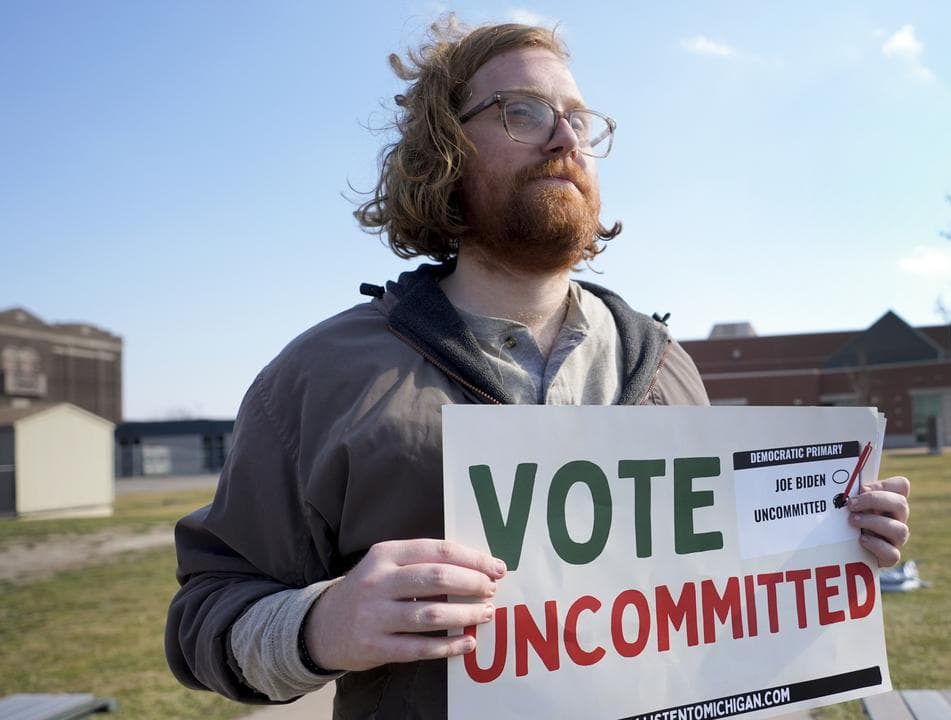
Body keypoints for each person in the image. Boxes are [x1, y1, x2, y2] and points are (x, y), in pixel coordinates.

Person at [164, 18, 912, 718]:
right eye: (522, 111)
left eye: (579, 121)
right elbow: (207, 615)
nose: (564, 139)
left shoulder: (669, 368)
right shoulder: (321, 377)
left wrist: (825, 540)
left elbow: (716, 591)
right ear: (444, 151)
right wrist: (321, 625)